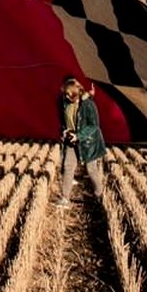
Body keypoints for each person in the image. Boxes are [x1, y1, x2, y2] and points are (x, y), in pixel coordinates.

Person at [56, 77, 106, 206]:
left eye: (68, 94)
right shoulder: (65, 102)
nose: (66, 96)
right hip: (72, 140)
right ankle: (65, 198)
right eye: (65, 94)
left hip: (88, 142)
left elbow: (94, 126)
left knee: (91, 169)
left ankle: (99, 195)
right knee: (68, 166)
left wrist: (79, 136)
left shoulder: (88, 105)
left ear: (75, 93)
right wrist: (64, 132)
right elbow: (63, 120)